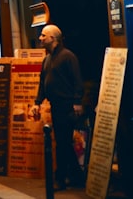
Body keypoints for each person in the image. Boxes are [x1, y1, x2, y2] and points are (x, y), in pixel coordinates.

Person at [33, 24, 85, 190]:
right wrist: (37, 102)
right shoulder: (47, 59)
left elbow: (77, 80)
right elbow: (43, 83)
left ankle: (60, 178)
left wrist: (77, 102)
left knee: (62, 143)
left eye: (43, 35)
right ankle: (77, 176)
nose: (40, 38)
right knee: (63, 143)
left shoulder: (68, 56)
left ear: (52, 38)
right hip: (56, 105)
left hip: (67, 105)